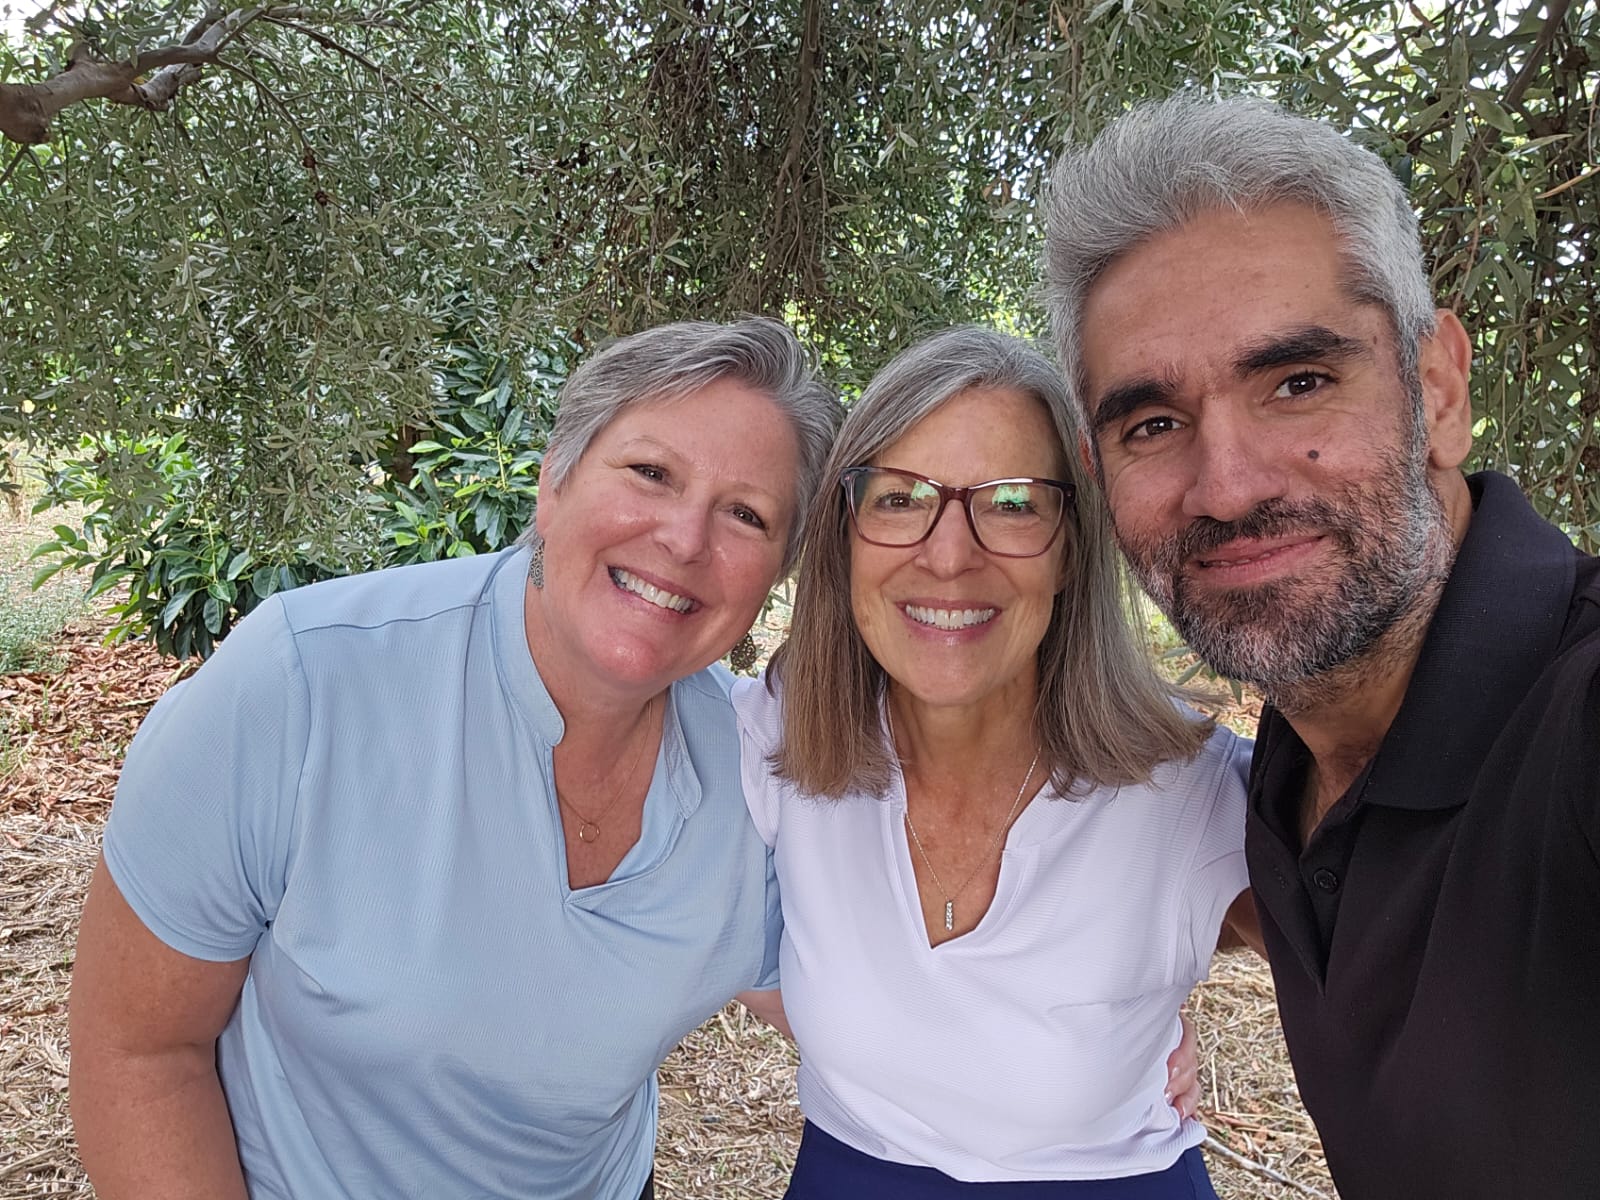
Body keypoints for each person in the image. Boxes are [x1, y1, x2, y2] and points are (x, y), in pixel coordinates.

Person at [67, 317, 845, 1200]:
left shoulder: (757, 777)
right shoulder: (305, 683)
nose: (685, 538)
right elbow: (141, 1052)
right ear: (553, 482)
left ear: (777, 576)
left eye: (746, 514)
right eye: (650, 473)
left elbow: (858, 1016)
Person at [1044, 95, 1600, 1196]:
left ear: (1439, 391)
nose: (1227, 486)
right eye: (1152, 423)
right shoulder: (1282, 772)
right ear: (1100, 478)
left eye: (1298, 383)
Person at [734, 326, 1257, 1198]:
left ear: (1070, 548)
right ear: (845, 534)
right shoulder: (778, 736)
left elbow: (1394, 965)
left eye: (1013, 504)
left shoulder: (1187, 791)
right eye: (900, 498)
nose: (949, 555)